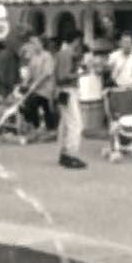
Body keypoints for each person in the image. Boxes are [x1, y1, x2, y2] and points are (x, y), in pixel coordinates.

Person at [54, 28, 86, 169]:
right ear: (76, 40)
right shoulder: (67, 54)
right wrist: (81, 74)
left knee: (66, 124)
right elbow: (63, 76)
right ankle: (70, 154)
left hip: (62, 91)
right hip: (68, 90)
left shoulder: (61, 53)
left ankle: (64, 152)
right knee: (76, 124)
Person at [20, 35, 57, 138]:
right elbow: (29, 73)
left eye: (35, 43)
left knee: (42, 106)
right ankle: (37, 127)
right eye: (32, 44)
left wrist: (36, 83)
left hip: (46, 88)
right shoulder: (33, 57)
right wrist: (25, 83)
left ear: (41, 44)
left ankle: (49, 130)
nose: (34, 46)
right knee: (27, 105)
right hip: (36, 89)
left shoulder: (47, 56)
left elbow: (47, 73)